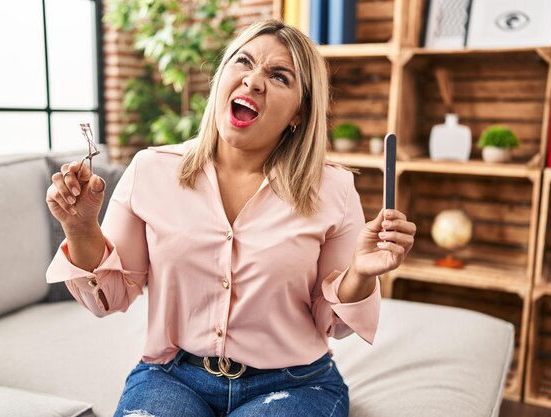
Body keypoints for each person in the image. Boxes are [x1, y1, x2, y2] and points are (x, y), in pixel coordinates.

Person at [46, 19, 416, 417]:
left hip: (295, 384)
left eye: (279, 76)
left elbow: (332, 324)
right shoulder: (150, 170)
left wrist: (360, 273)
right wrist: (81, 226)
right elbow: (109, 299)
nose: (253, 81)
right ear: (221, 76)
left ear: (299, 113)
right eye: (243, 61)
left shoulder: (333, 189)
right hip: (172, 375)